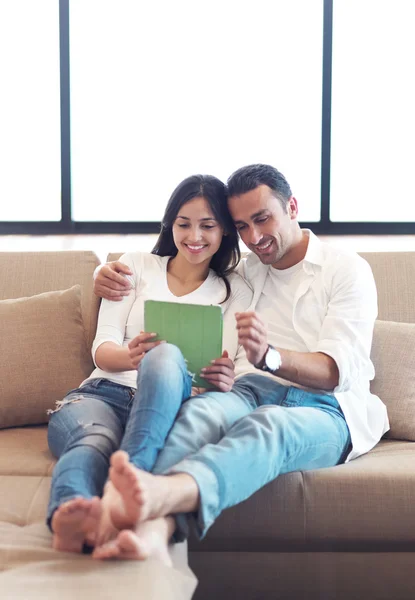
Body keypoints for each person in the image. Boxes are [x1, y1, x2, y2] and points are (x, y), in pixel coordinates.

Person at [91, 163, 389, 563]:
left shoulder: (346, 269)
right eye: (243, 227)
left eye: (262, 219)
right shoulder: (244, 272)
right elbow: (175, 262)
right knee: (197, 415)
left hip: (328, 408)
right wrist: (101, 272)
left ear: (293, 207)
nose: (255, 238)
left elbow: (335, 372)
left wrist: (271, 357)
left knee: (269, 426)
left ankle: (161, 496)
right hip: (250, 391)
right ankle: (152, 530)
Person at [46, 174, 253, 557]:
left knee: (166, 354)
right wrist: (131, 357)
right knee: (93, 443)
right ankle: (70, 515)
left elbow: (229, 371)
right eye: (183, 224)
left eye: (207, 225)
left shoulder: (235, 290)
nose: (194, 236)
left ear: (224, 230)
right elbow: (101, 348)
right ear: (169, 224)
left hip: (169, 404)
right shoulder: (136, 266)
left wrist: (224, 380)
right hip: (103, 393)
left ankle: (129, 481)